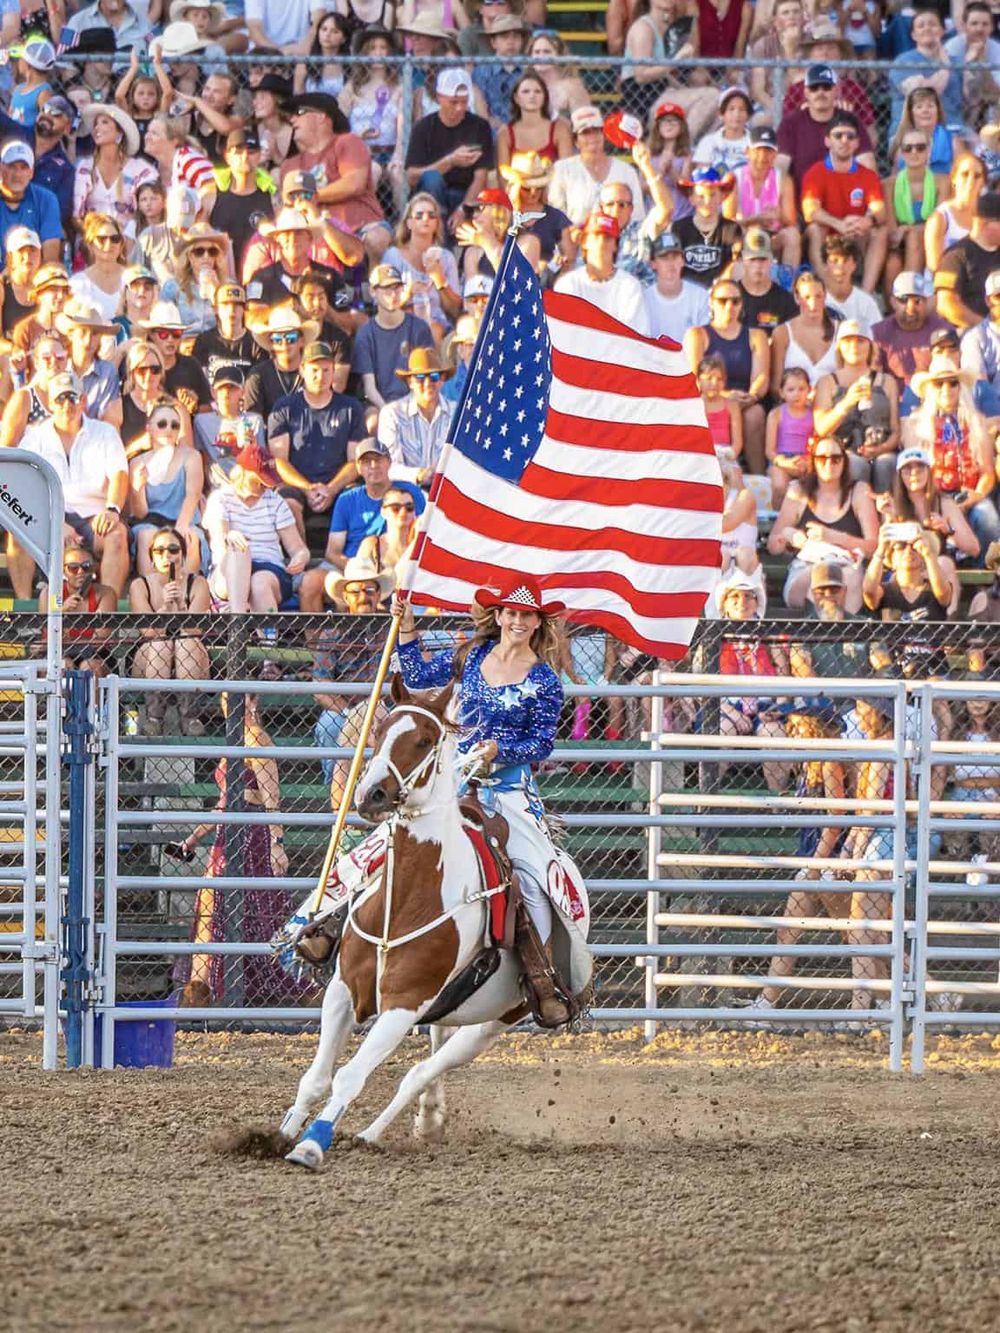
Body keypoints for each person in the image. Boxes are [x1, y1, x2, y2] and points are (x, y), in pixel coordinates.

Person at [394, 573, 578, 1027]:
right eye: (510, 612)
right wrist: (406, 628)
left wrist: (501, 751)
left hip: (510, 792)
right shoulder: (470, 656)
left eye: (525, 614)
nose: (517, 620)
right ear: (498, 616)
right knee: (388, 843)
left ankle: (540, 974)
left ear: (537, 622)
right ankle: (327, 924)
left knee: (534, 878)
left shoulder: (545, 681)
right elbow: (416, 676)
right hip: (453, 780)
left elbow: (541, 744)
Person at [174, 692, 295, 1008]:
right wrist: (193, 838)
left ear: (253, 702)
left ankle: (233, 990)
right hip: (227, 832)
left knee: (241, 908)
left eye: (237, 699)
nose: (228, 704)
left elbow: (271, 799)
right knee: (210, 906)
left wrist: (277, 844)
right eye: (226, 699)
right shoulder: (234, 739)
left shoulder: (257, 740)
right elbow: (224, 801)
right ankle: (201, 990)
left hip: (252, 832)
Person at [19, 370, 130, 597]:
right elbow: (24, 486)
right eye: (60, 398)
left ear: (83, 400)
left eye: (73, 397)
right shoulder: (34, 436)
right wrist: (53, 520)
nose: (67, 404)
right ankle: (24, 611)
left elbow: (120, 474)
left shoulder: (105, 432)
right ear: (50, 403)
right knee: (18, 532)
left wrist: (112, 510)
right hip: (49, 517)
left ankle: (106, 615)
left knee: (117, 534)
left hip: (94, 517)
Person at [299, 438, 425, 610]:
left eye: (379, 459)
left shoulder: (409, 492)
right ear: (358, 468)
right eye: (366, 461)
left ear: (389, 462)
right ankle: (316, 637)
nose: (373, 465)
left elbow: (423, 529)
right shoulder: (347, 499)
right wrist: (360, 572)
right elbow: (333, 552)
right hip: (351, 565)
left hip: (394, 559)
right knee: (310, 581)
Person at [767, 434, 879, 612]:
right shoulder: (798, 491)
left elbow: (873, 546)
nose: (829, 464)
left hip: (846, 568)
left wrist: (834, 537)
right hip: (805, 570)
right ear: (812, 461)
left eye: (836, 458)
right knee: (819, 575)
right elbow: (773, 545)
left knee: (848, 577)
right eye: (822, 458)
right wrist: (789, 537)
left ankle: (841, 635)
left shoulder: (858, 491)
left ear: (844, 462)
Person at [267, 338, 367, 536]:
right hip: (297, 484)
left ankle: (344, 558)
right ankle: (299, 558)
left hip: (338, 484)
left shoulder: (350, 408)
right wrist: (307, 488)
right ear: (302, 370)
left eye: (326, 370)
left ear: (333, 371)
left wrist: (331, 489)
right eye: (314, 370)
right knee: (287, 503)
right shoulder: (284, 407)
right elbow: (279, 461)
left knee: (356, 499)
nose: (320, 376)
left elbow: (355, 460)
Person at [904, 352, 1000, 557]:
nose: (947, 389)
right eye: (940, 384)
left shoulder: (976, 423)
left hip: (969, 493)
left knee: (987, 516)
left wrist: (976, 495)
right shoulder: (916, 425)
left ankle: (985, 573)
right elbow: (913, 473)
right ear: (931, 389)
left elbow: (987, 472)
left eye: (952, 383)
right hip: (933, 496)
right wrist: (941, 502)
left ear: (960, 387)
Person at [203, 444, 311, 612]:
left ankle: (266, 637)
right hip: (229, 568)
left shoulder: (275, 501)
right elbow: (219, 544)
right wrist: (230, 536)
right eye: (260, 480)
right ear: (244, 473)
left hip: (269, 568)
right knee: (239, 548)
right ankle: (238, 624)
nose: (265, 486)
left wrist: (300, 558)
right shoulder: (221, 498)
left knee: (259, 583)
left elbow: (299, 548)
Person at [128, 526, 212, 736]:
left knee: (186, 642)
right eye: (159, 551)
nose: (167, 556)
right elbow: (148, 633)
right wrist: (165, 608)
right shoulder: (140, 585)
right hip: (149, 657)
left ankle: (190, 716)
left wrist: (181, 606)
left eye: (173, 549)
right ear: (152, 557)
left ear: (182, 554)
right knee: (160, 643)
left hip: (191, 654)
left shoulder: (198, 583)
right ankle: (154, 716)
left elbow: (195, 629)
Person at [683, 276, 768, 472]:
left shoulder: (756, 335)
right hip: (710, 398)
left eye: (735, 300)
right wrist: (724, 397)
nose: (729, 306)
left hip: (745, 401)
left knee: (755, 415)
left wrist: (751, 396)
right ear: (712, 303)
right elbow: (693, 377)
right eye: (722, 301)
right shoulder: (697, 334)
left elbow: (761, 377)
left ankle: (758, 476)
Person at [800, 110, 887, 294]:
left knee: (879, 231)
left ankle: (865, 294)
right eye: (838, 135)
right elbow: (810, 212)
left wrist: (867, 220)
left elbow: (879, 211)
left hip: (855, 235)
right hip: (829, 235)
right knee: (814, 228)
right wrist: (838, 224)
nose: (844, 140)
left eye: (850, 136)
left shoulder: (867, 175)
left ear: (857, 143)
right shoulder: (815, 173)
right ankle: (828, 290)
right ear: (827, 140)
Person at [813, 320, 901, 492]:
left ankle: (887, 514)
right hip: (844, 450)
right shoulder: (827, 382)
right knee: (855, 466)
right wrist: (846, 402)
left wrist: (880, 448)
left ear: (870, 345)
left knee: (886, 465)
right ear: (839, 347)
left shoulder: (887, 382)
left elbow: (896, 431)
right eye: (848, 341)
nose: (854, 346)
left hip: (880, 447)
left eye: (860, 341)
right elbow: (822, 428)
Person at [403, 68, 494, 231]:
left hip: (464, 194)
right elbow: (411, 176)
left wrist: (462, 209)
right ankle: (439, 234)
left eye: (464, 102)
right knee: (432, 178)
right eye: (453, 102)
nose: (460, 108)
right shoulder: (423, 128)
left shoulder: (479, 126)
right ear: (439, 98)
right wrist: (450, 161)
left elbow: (480, 177)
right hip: (430, 195)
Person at [126, 397, 207, 575]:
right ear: (149, 429)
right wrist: (138, 488)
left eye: (175, 425)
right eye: (162, 424)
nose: (168, 429)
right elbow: (140, 513)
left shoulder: (191, 456)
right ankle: (150, 594)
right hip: (151, 523)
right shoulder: (137, 462)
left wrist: (180, 526)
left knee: (188, 537)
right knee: (146, 535)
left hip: (184, 520)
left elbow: (192, 495)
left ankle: (188, 594)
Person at [776, 62, 876, 196]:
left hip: (846, 201)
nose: (820, 92)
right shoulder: (790, 123)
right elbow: (780, 167)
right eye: (814, 87)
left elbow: (867, 163)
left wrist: (868, 209)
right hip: (803, 201)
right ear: (806, 92)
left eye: (826, 87)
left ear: (836, 90)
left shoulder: (851, 121)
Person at [352, 261, 435, 408]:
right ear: (373, 291)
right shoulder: (365, 333)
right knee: (372, 422)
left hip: (415, 402)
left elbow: (425, 375)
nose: (393, 295)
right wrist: (388, 412)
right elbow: (369, 388)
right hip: (380, 404)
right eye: (387, 289)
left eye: (397, 288)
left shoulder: (419, 328)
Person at [548, 105, 646, 229]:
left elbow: (637, 216)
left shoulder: (626, 171)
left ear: (604, 135)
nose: (592, 137)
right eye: (585, 133)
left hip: (621, 242)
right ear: (576, 141)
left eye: (596, 130)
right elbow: (556, 215)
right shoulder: (562, 169)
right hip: (576, 241)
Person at [553, 211, 649, 334]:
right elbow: (563, 332)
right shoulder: (568, 283)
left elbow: (637, 335)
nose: (601, 243)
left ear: (615, 245)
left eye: (608, 238)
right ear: (584, 242)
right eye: (596, 236)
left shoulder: (629, 286)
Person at [72, 103, 155, 241]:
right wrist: (95, 238)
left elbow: (147, 213)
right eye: (95, 124)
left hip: (129, 243)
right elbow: (75, 216)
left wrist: (122, 239)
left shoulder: (140, 170)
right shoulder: (84, 168)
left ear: (119, 133)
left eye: (104, 122)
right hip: (90, 242)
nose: (97, 127)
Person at [872, 271, 951, 415]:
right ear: (892, 301)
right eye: (904, 300)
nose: (911, 307)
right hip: (892, 406)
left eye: (917, 301)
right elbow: (875, 378)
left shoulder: (942, 330)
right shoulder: (878, 333)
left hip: (935, 403)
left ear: (926, 302)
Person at [723, 124, 800, 271]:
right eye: (758, 150)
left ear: (775, 154)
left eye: (768, 151)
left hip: (772, 237)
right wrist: (755, 220)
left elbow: (790, 220)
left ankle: (787, 282)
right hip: (743, 234)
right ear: (747, 152)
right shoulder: (733, 177)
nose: (763, 156)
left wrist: (778, 215)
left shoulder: (783, 179)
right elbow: (728, 220)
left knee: (793, 234)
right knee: (735, 233)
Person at [39, 540, 117, 677]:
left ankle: (89, 699)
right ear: (63, 571)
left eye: (86, 566)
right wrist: (62, 611)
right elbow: (52, 636)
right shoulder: (52, 593)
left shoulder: (105, 594)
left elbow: (98, 642)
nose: (80, 572)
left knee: (89, 667)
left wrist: (67, 638)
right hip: (58, 653)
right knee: (62, 664)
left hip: (95, 656)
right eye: (73, 567)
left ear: (93, 569)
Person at [376, 345, 454, 480]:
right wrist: (419, 475)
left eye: (434, 376)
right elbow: (389, 467)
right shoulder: (391, 413)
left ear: (442, 380)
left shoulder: (456, 413)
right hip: (408, 491)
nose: (428, 382)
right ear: (410, 382)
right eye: (420, 377)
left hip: (446, 490)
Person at [888, 9, 963, 137]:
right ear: (913, 35)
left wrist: (977, 60)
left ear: (942, 31)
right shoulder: (903, 61)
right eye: (921, 26)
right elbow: (926, 95)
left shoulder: (956, 61)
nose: (927, 28)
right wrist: (945, 66)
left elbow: (972, 97)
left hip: (953, 127)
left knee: (986, 152)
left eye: (932, 24)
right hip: (910, 131)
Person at [934, 191, 1000, 331]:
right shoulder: (954, 257)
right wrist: (988, 329)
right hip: (973, 335)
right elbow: (946, 304)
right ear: (983, 223)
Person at [769, 270, 840, 394]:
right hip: (793, 406)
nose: (813, 303)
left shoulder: (840, 329)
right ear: (797, 298)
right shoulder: (782, 332)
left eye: (818, 296)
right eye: (807, 297)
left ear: (825, 296)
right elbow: (776, 387)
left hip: (831, 406)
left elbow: (845, 380)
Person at [671, 165, 742, 289]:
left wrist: (720, 286)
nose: (707, 201)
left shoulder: (731, 229)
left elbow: (735, 263)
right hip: (686, 293)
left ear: (722, 197)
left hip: (719, 294)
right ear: (691, 198)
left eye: (713, 195)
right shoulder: (679, 228)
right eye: (701, 196)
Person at [863, 525, 951, 622]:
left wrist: (929, 554)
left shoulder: (935, 589)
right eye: (901, 546)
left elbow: (944, 595)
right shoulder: (884, 592)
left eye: (915, 547)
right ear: (892, 557)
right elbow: (869, 591)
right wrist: (881, 549)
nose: (908, 551)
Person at [924, 152, 987, 274]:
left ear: (983, 182)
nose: (970, 181)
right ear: (953, 178)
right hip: (945, 284)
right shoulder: (940, 218)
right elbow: (934, 267)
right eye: (965, 174)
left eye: (977, 176)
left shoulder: (989, 217)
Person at [642, 229, 710, 340]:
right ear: (653, 264)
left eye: (675, 257)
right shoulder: (643, 300)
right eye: (664, 257)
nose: (670, 263)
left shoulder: (700, 297)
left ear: (683, 260)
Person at [0, 139, 61, 260]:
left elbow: (50, 256)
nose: (18, 174)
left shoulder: (47, 200)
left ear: (31, 172)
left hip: (32, 275)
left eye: (24, 168)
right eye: (12, 167)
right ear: (1, 169)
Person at [735, 225, 797, 334]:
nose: (758, 265)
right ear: (741, 260)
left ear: (771, 260)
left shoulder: (786, 302)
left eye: (762, 259)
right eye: (752, 259)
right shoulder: (730, 299)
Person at [765, 366, 813, 505]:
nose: (796, 394)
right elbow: (769, 451)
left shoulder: (814, 414)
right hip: (781, 459)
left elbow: (816, 441)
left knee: (813, 486)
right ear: (782, 392)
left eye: (801, 389)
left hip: (805, 460)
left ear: (809, 390)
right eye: (791, 390)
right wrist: (784, 463)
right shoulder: (776, 414)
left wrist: (809, 461)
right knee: (780, 486)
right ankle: (776, 520)